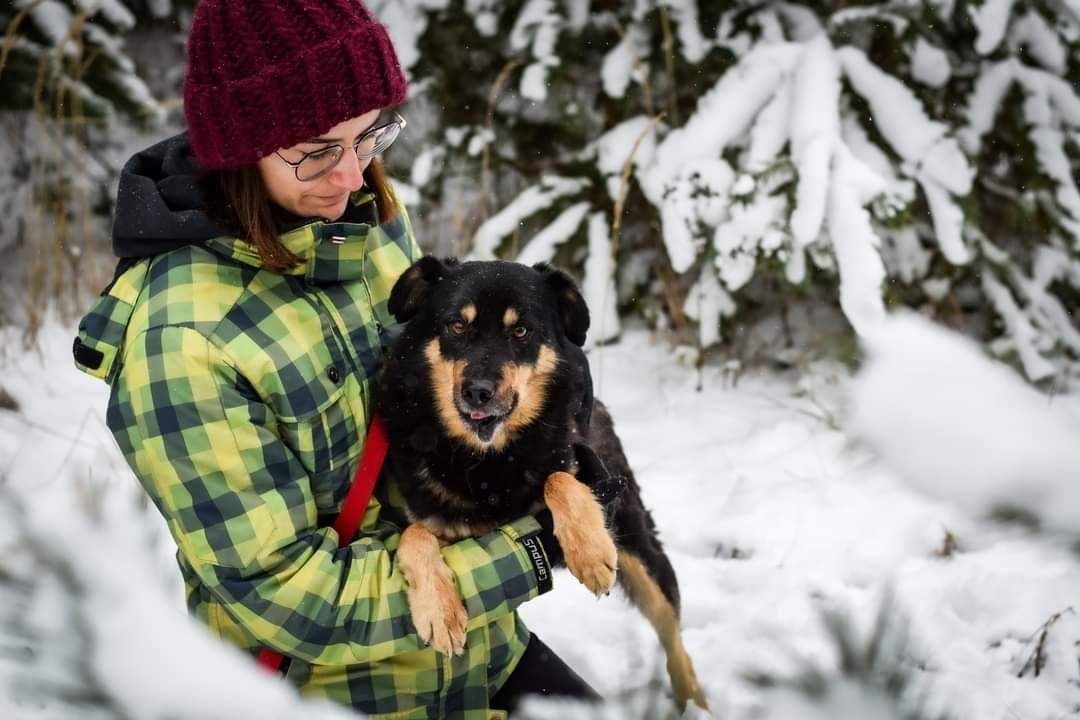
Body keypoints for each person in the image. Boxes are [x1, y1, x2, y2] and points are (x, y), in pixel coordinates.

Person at [72, 1, 606, 717]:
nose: (352, 174)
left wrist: (560, 400)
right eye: (318, 149)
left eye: (370, 135)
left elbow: (438, 383)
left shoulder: (360, 220)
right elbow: (293, 600)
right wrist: (531, 552)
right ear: (241, 147)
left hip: (479, 649)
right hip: (333, 693)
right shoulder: (182, 342)